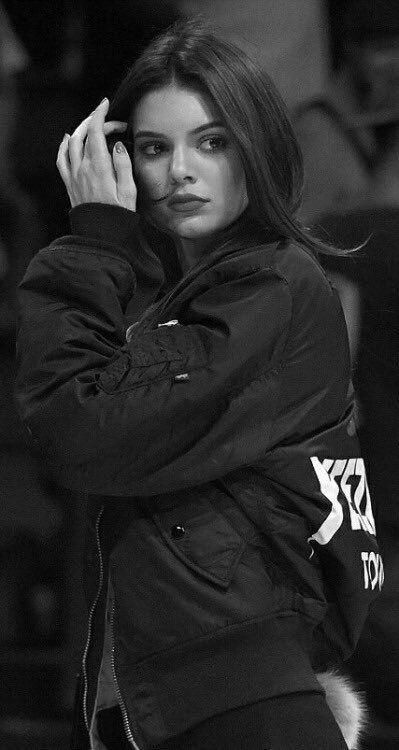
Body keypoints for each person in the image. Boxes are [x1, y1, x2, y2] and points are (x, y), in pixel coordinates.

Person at [15, 18, 381, 750]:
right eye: (154, 148)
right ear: (124, 162)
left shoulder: (273, 288)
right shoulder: (173, 297)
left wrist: (89, 242)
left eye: (211, 142)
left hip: (238, 691)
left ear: (258, 147)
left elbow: (77, 428)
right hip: (169, 690)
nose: (180, 169)